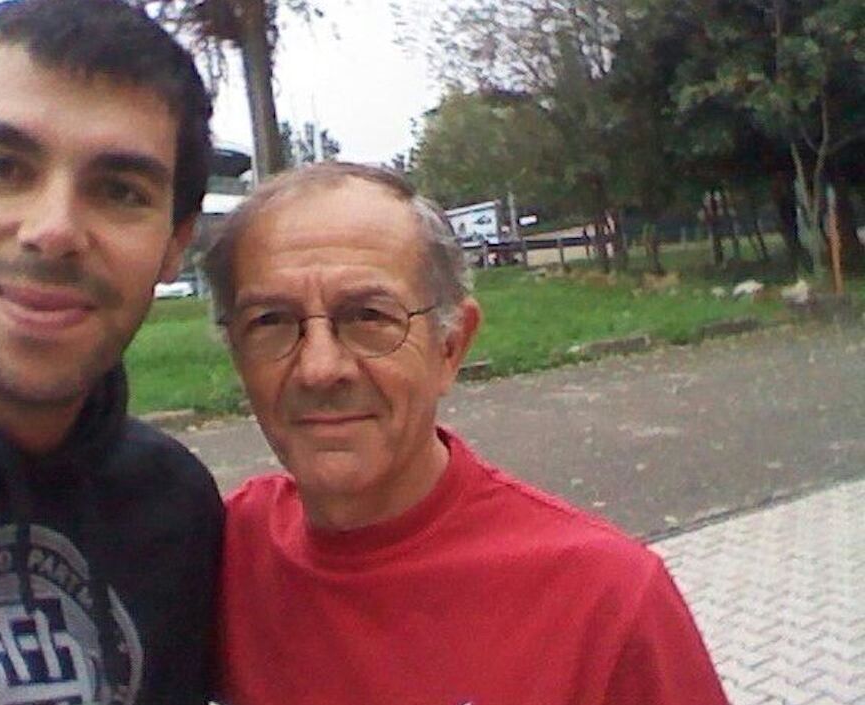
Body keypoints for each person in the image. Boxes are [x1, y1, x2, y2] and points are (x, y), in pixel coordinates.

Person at [205, 162, 729, 705]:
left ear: (450, 347)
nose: (319, 369)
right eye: (270, 322)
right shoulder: (216, 556)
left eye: (368, 316)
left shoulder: (607, 604)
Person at [0, 1, 224, 703]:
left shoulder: (176, 514)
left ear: (174, 244)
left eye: (119, 190)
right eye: (3, 167)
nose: (52, 230)